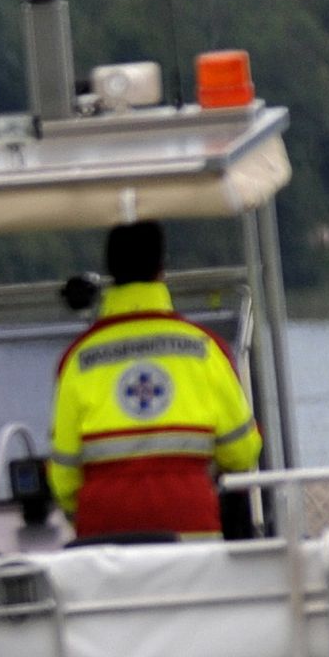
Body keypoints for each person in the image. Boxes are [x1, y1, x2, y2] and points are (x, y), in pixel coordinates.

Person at [48, 220, 258, 539]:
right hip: (193, 538)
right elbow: (242, 453)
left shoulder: (78, 360)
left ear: (111, 271)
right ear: (161, 269)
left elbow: (63, 478)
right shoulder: (205, 350)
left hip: (104, 545)